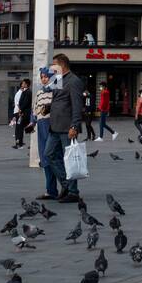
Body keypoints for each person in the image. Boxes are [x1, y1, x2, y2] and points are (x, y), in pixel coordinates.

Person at [42, 54, 85, 202]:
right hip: (54, 126)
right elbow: (58, 100)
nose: (51, 68)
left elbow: (77, 106)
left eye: (54, 65)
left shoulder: (73, 81)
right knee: (49, 154)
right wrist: (49, 108)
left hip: (67, 127)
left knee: (70, 160)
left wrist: (75, 126)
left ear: (62, 65)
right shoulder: (58, 80)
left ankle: (73, 192)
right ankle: (66, 185)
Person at [32, 68, 56, 197]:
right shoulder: (39, 93)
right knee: (45, 158)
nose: (44, 79)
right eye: (42, 77)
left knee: (54, 157)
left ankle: (65, 189)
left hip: (52, 126)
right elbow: (34, 110)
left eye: (46, 76)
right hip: (41, 127)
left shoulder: (55, 91)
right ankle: (51, 190)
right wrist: (32, 122)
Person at [12, 78, 31, 149]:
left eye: (23, 83)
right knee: (21, 128)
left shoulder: (27, 92)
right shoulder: (23, 92)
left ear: (26, 84)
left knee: (20, 129)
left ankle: (19, 143)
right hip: (21, 112)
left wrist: (20, 110)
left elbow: (24, 103)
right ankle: (19, 143)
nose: (22, 84)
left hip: (22, 113)